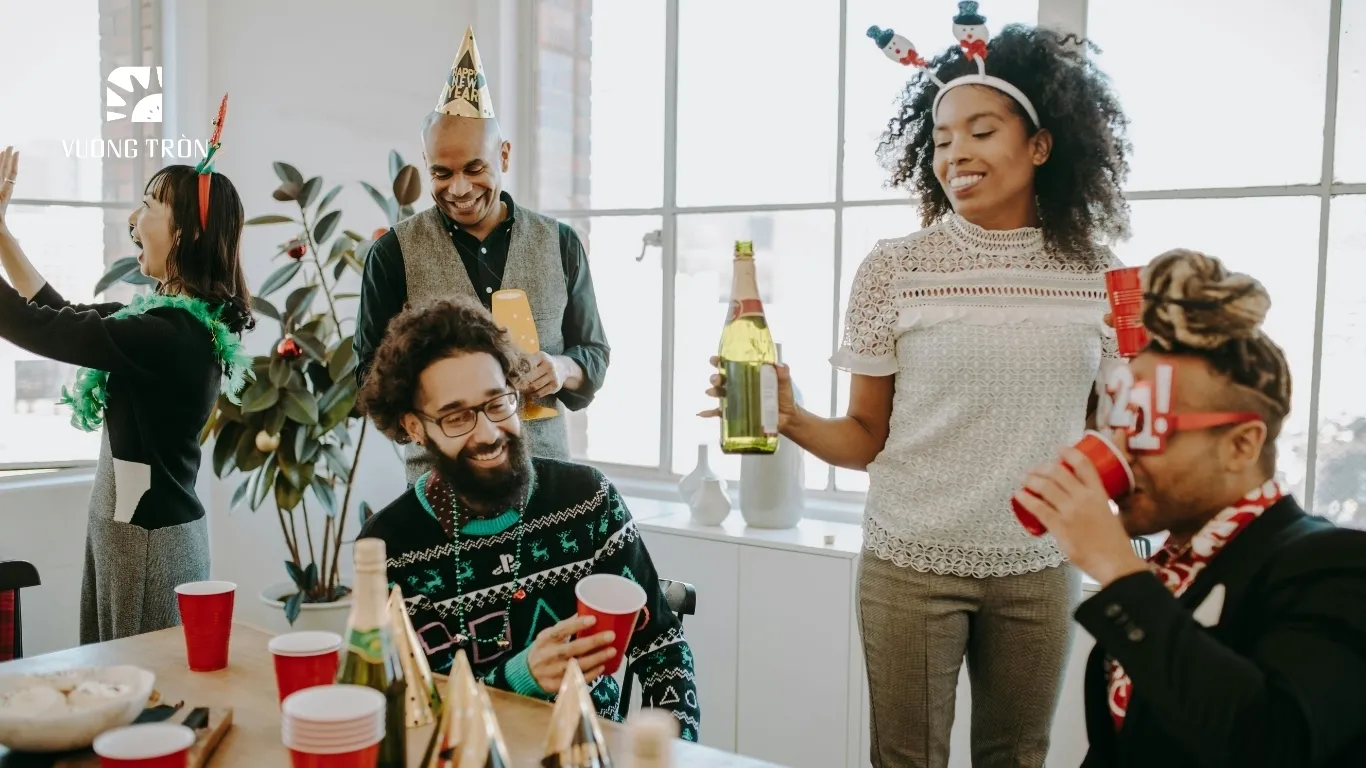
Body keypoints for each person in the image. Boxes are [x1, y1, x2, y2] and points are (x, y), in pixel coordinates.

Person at [707, 5, 1132, 765]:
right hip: (910, 564)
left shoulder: (1099, 276)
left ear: (1040, 145)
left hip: (1038, 568)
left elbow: (1114, 434)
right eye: (940, 139)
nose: (955, 153)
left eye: (981, 131)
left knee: (1018, 758)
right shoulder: (895, 269)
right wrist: (790, 415)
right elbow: (864, 439)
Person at [1016, 249, 1366, 767]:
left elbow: (1277, 742)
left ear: (1241, 445)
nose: (1121, 451)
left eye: (1148, 427)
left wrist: (1117, 568)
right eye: (1116, 422)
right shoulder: (1166, 574)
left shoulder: (1335, 564)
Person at [356, 297, 699, 741]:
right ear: (415, 427)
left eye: (498, 403)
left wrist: (672, 752)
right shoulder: (390, 547)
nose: (488, 433)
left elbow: (662, 646)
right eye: (457, 417)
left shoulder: (587, 501)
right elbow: (406, 712)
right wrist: (521, 677)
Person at [0, 107, 253, 643]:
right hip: (125, 532)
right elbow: (56, 311)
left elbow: (38, 326)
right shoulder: (160, 322)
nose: (134, 219)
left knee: (142, 684)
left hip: (147, 543)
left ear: (183, 232)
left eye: (148, 206)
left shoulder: (170, 336)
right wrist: (1, 233)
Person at [355, 25, 609, 484]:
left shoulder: (561, 244)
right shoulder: (392, 255)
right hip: (440, 487)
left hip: (546, 481)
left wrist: (561, 368)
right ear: (426, 163)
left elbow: (593, 353)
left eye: (475, 168)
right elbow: (367, 378)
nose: (459, 188)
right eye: (442, 173)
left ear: (504, 156)